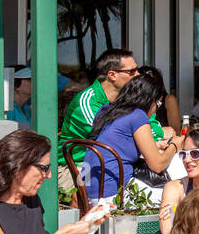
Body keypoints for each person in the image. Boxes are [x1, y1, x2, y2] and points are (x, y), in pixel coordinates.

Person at [83, 72, 184, 200]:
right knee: (178, 191)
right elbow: (157, 165)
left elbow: (116, 144)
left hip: (88, 193)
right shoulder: (137, 115)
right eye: (157, 104)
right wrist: (175, 145)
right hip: (114, 196)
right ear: (148, 101)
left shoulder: (106, 111)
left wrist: (154, 145)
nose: (155, 110)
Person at [59, 48, 146, 181]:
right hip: (79, 166)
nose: (138, 75)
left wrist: (157, 136)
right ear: (112, 75)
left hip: (112, 162)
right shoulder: (87, 102)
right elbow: (109, 139)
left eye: (137, 69)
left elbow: (150, 125)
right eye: (131, 72)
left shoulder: (128, 97)